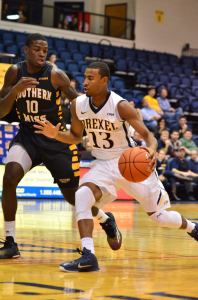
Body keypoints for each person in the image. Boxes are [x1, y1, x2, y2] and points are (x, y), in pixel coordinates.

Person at [34, 61, 198, 272]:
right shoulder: (78, 105)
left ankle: (193, 227)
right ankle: (88, 255)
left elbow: (149, 136)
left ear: (104, 80)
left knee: (160, 217)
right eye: (84, 77)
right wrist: (56, 134)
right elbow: (75, 136)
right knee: (82, 196)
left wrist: (152, 149)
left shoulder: (120, 105)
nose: (85, 82)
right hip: (102, 162)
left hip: (129, 160)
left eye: (91, 78)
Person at [0, 34, 120, 259]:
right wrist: (15, 91)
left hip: (56, 140)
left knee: (74, 197)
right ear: (26, 50)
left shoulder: (55, 75)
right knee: (9, 178)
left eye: (45, 50)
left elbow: (79, 103)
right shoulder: (15, 73)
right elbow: (1, 110)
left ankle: (105, 219)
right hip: (28, 136)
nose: (42, 53)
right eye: (37, 49)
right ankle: (10, 241)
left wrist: (91, 130)